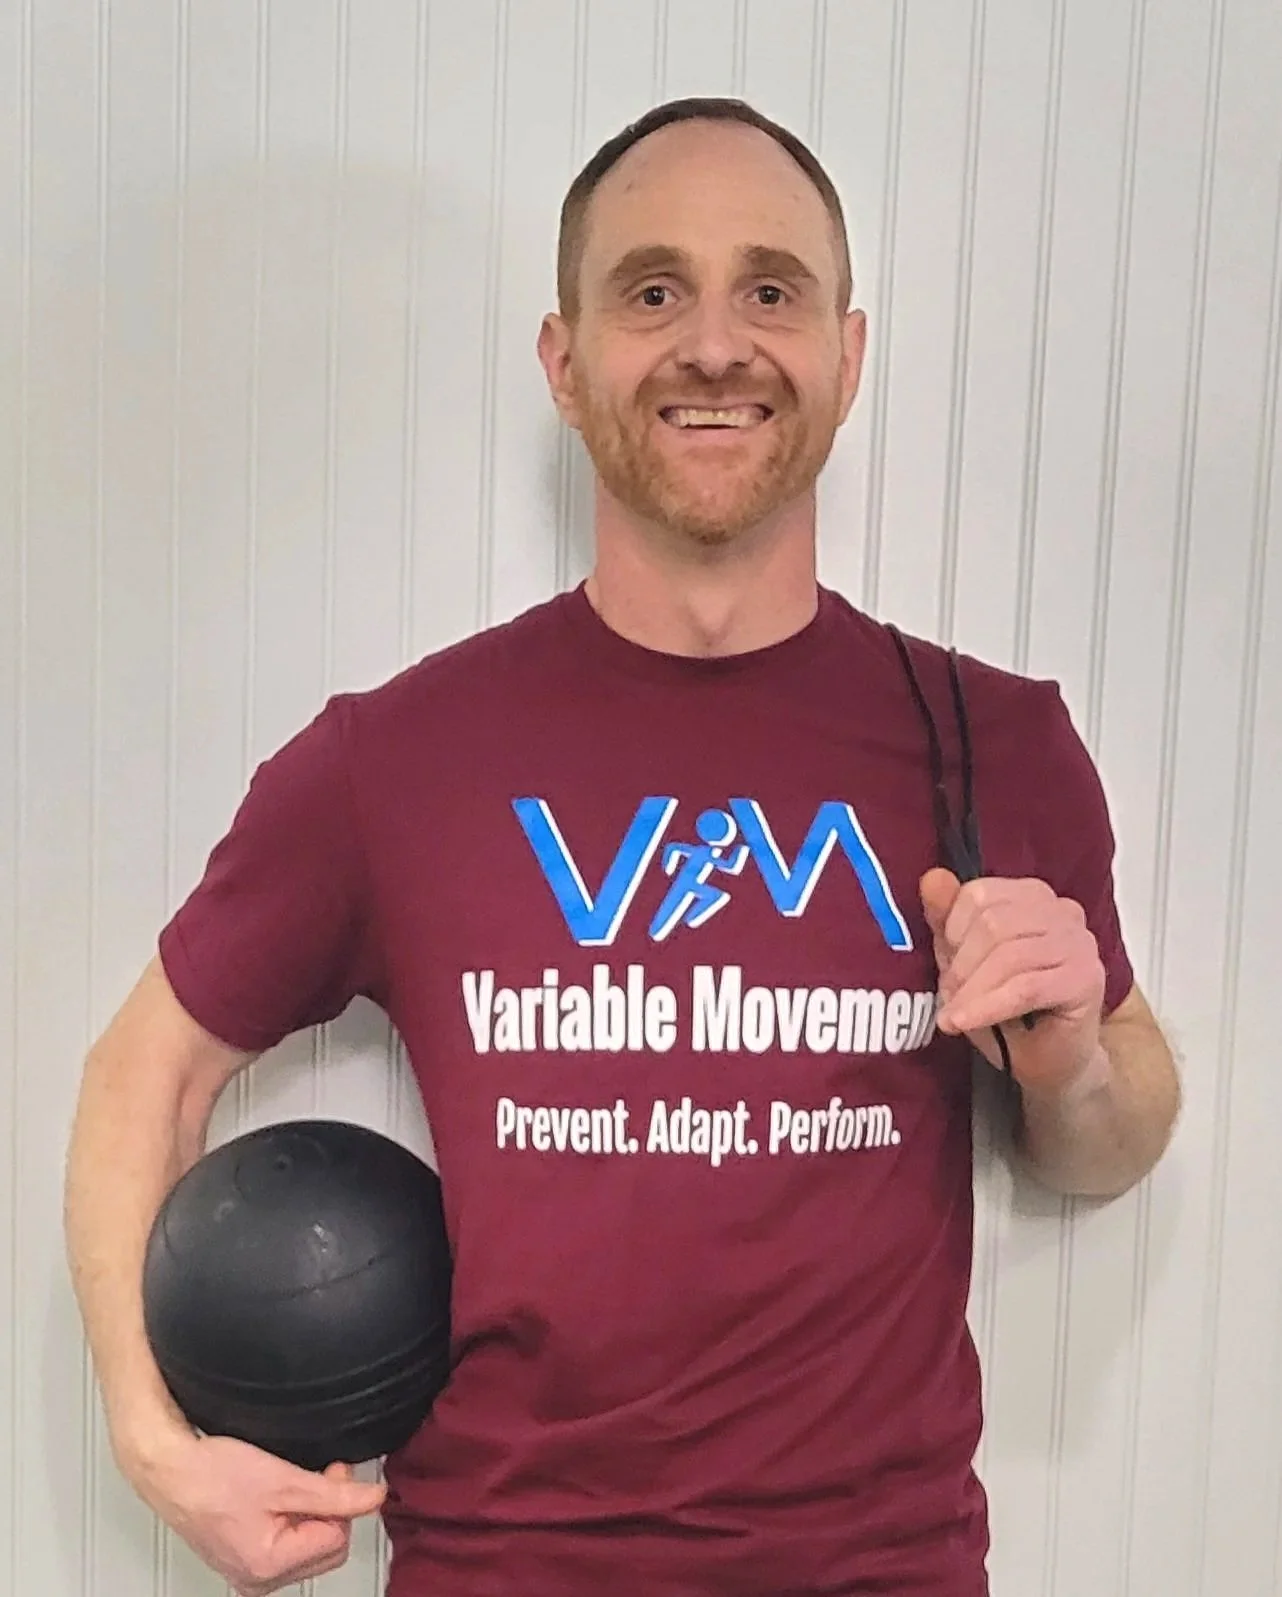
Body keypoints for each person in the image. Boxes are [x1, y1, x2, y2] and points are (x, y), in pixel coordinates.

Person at [63, 97, 1182, 1597]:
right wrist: (152, 1443)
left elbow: (1114, 1134)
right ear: (565, 361)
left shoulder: (994, 741)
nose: (715, 345)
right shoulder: (395, 760)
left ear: (847, 355)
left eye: (770, 291)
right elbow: (145, 1069)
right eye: (652, 292)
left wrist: (1071, 1067)